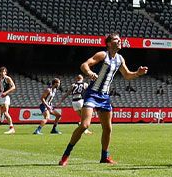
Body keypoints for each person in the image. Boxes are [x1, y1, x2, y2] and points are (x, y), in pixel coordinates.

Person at [58, 33, 150, 166]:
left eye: (120, 39)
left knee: (108, 128)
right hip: (92, 94)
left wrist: (137, 73)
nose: (119, 41)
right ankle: (66, 155)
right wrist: (89, 72)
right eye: (116, 39)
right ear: (109, 43)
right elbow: (84, 65)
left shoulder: (120, 59)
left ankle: (104, 157)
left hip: (105, 97)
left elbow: (127, 75)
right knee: (85, 125)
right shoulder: (102, 55)